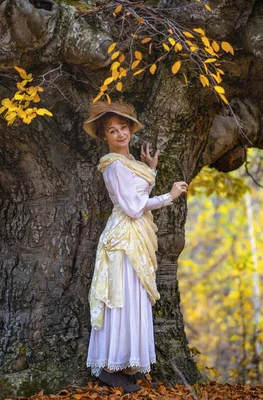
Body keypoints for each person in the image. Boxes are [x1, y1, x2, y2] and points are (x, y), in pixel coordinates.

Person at [83, 99, 188, 393]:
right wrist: (169, 196)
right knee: (121, 297)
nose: (120, 134)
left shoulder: (130, 165)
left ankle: (127, 365)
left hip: (135, 237)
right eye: (113, 131)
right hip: (123, 238)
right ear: (105, 137)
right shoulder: (114, 166)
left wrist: (150, 171)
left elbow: (137, 195)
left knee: (133, 297)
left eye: (124, 128)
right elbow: (132, 207)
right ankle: (110, 368)